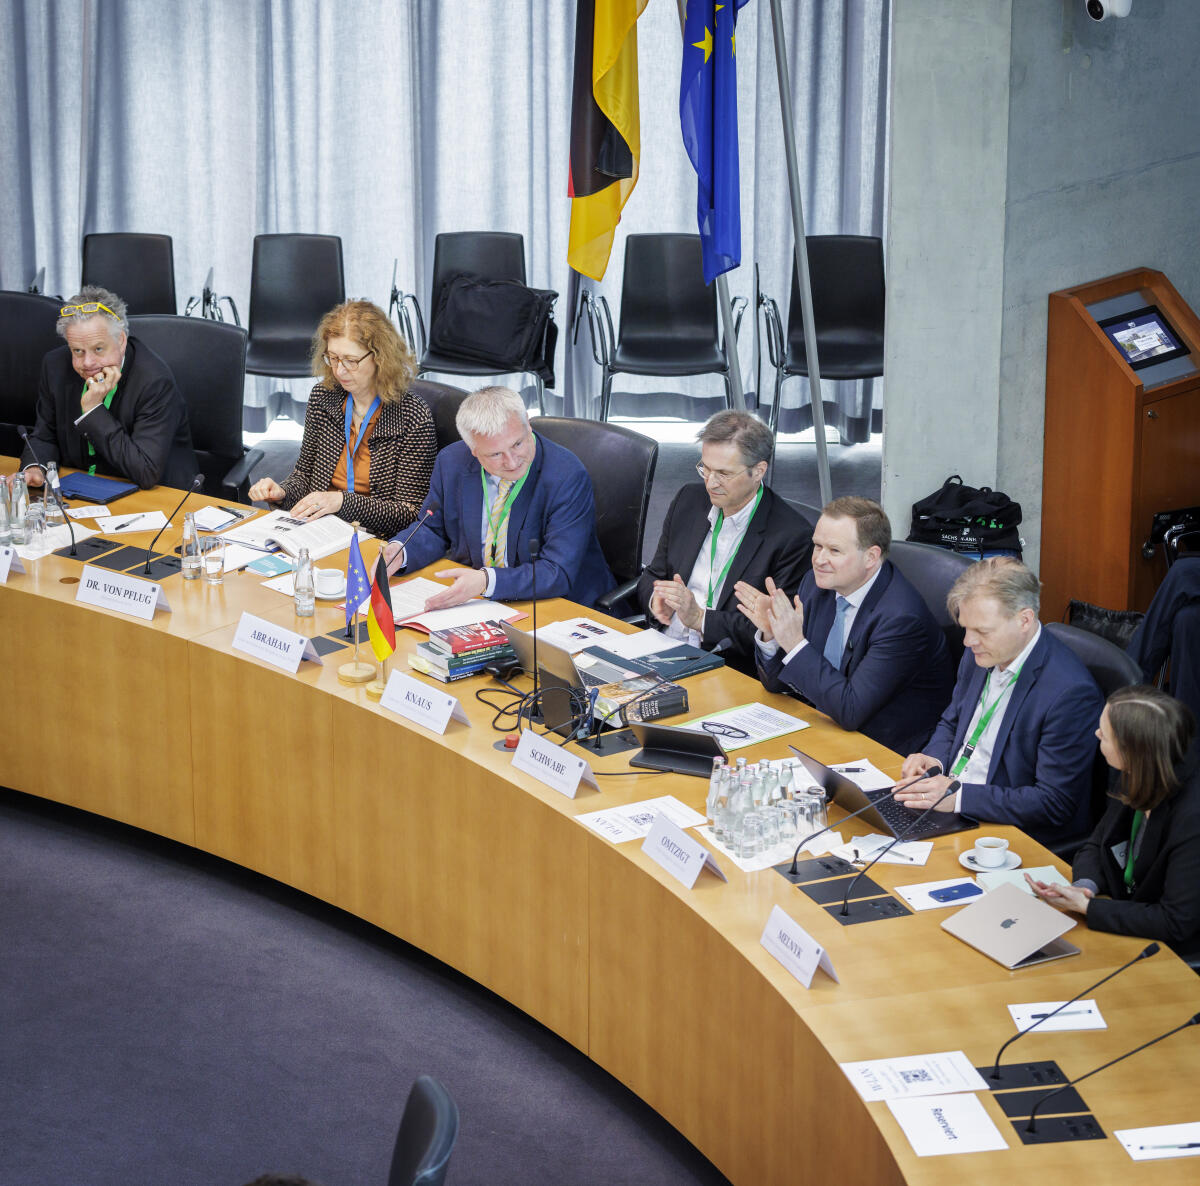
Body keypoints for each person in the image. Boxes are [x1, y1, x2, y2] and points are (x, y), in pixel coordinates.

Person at [896, 556, 1104, 850]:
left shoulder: (1069, 693)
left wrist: (959, 798)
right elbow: (953, 720)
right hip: (951, 806)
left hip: (1005, 831)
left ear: (1024, 620)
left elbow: (1054, 802)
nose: (968, 641)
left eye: (982, 631)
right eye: (965, 628)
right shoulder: (980, 653)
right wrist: (935, 759)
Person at [734, 497, 954, 755]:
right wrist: (773, 635)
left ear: (871, 556)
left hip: (881, 750)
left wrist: (794, 644)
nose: (819, 559)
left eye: (834, 551)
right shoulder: (817, 585)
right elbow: (779, 683)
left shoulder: (902, 620)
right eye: (817, 546)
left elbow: (851, 710)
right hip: (823, 729)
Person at [384, 385, 613, 611]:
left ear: (527, 423)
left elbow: (557, 571)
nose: (512, 462)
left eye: (517, 444)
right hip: (479, 601)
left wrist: (486, 581)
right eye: (495, 454)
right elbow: (432, 528)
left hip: (556, 605)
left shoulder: (566, 476)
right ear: (473, 450)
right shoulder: (451, 463)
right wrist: (401, 551)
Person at [1026, 686, 1200, 960]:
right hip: (1125, 915)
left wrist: (1087, 907)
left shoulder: (1191, 818)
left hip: (1171, 948)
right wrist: (1084, 887)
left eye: (1104, 734)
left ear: (1131, 750)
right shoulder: (1138, 770)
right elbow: (1098, 844)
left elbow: (1175, 921)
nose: (1097, 735)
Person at [637, 410, 812, 674]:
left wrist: (699, 618)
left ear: (758, 471)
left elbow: (774, 629)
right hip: (661, 646)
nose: (710, 482)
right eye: (705, 469)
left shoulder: (791, 536)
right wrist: (656, 600)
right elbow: (653, 574)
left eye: (724, 473)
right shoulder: (688, 500)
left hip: (724, 665)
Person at [248, 300, 435, 539]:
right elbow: (304, 476)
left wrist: (341, 502)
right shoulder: (323, 398)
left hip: (373, 539)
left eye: (351, 360)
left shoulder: (412, 416)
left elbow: (409, 512)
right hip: (317, 530)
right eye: (333, 358)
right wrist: (281, 492)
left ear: (381, 358)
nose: (339, 371)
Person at [17, 285, 196, 490]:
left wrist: (94, 411)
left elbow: (146, 471)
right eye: (77, 351)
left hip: (157, 498)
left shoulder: (154, 382)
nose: (88, 362)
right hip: (82, 491)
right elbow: (44, 435)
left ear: (120, 340)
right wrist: (35, 467)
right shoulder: (55, 366)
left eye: (98, 349)